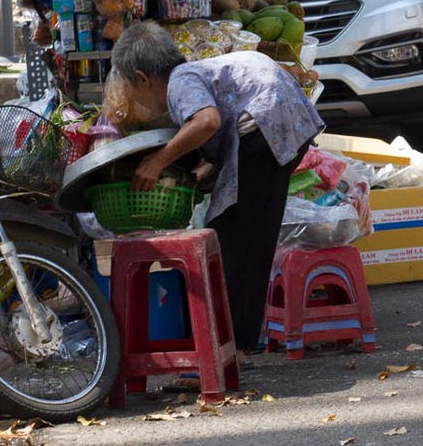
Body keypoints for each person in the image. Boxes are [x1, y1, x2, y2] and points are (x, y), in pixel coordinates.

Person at [114, 22, 325, 352]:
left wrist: (157, 161)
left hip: (265, 121)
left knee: (235, 243)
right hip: (280, 119)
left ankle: (231, 352)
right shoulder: (194, 73)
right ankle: (235, 347)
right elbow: (219, 139)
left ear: (142, 79)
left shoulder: (179, 81)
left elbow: (208, 121)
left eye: (132, 88)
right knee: (244, 238)